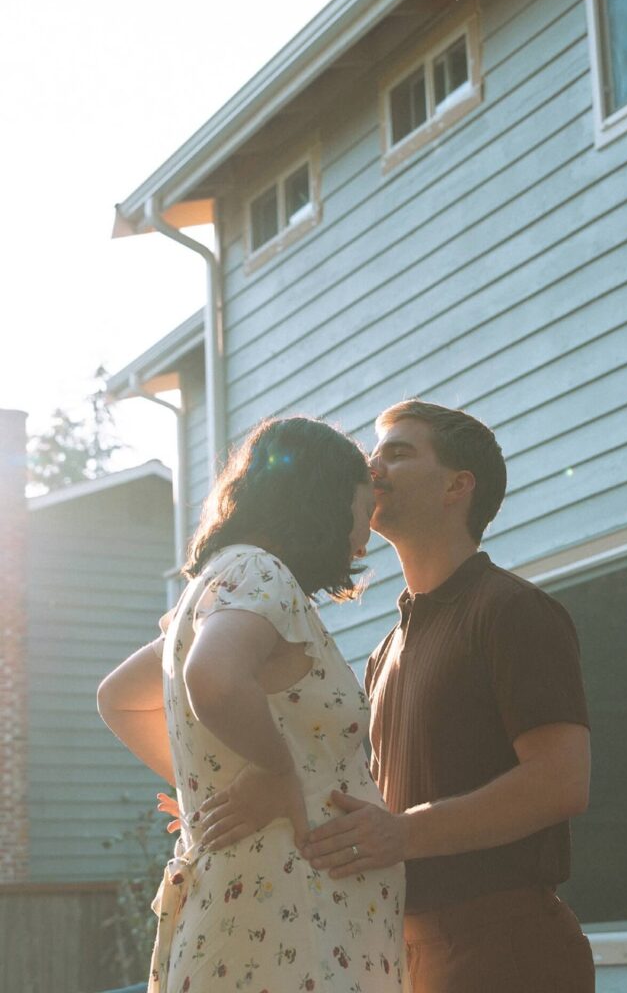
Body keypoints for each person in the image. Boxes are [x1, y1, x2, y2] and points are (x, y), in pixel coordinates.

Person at [97, 417, 407, 993]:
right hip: (293, 920)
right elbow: (212, 680)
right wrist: (271, 770)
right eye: (362, 511)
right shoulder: (260, 573)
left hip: (262, 913)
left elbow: (119, 699)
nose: (364, 537)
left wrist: (210, 783)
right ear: (322, 503)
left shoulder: (220, 584)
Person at [299, 399, 595, 992]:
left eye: (399, 453)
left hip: (509, 954)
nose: (373, 467)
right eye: (373, 453)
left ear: (458, 486)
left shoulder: (513, 611)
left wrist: (404, 833)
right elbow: (369, 804)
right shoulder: (384, 651)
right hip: (405, 956)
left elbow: (562, 781)